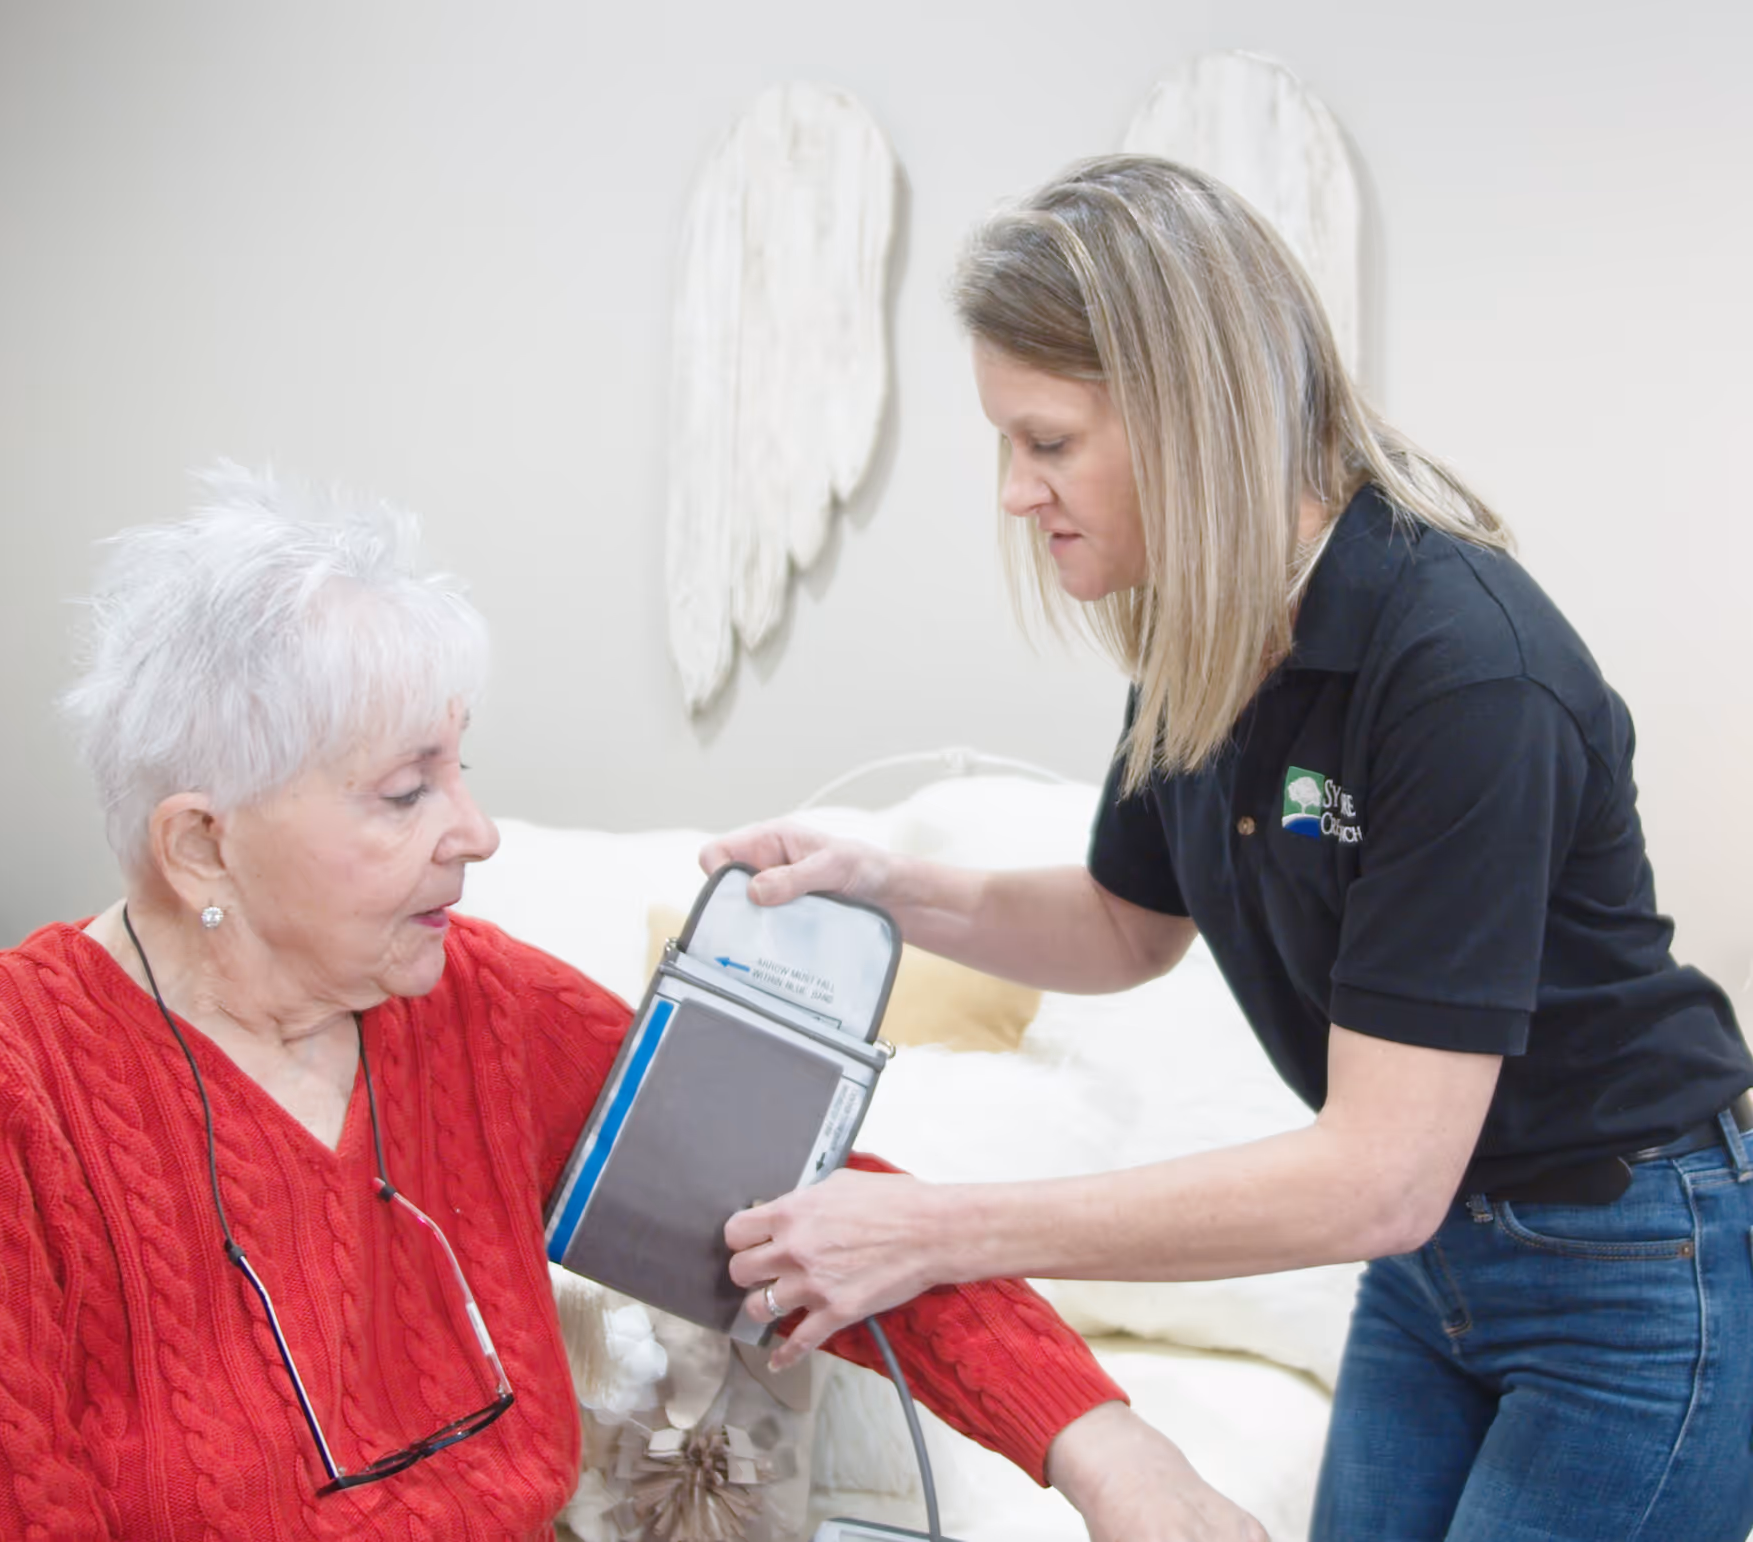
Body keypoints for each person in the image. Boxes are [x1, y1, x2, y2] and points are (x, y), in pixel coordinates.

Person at [0, 466, 1262, 1542]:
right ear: (201, 843)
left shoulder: (474, 1008)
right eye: (405, 792)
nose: (477, 831)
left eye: (460, 769)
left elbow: (830, 1218)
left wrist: (1106, 1444)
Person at [708, 156, 1753, 1542]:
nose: (1017, 492)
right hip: (1434, 1263)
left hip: (1629, 1266)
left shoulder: (1461, 670)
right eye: (1007, 444)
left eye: (1048, 441)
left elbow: (1379, 1168)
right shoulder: (1209, 633)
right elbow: (1125, 921)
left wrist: (935, 1229)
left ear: (1192, 416)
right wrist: (883, 883)